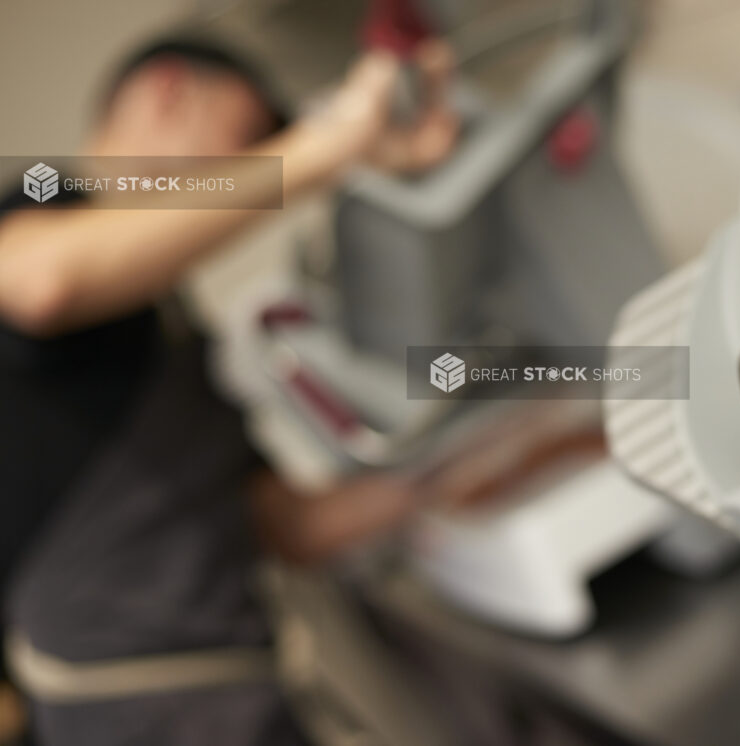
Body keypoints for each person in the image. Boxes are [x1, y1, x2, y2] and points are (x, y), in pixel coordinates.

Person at [0, 35, 458, 745]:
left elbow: (288, 527)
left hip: (247, 710)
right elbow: (41, 285)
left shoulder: (171, 332)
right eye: (242, 141)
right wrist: (331, 145)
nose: (242, 169)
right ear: (169, 91)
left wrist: (468, 464)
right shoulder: (39, 203)